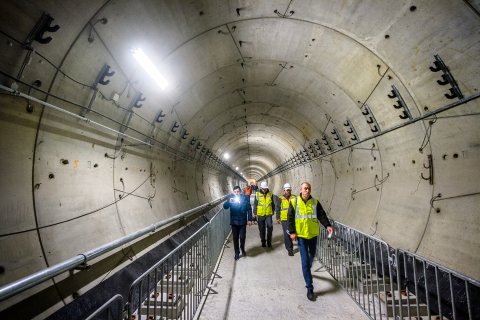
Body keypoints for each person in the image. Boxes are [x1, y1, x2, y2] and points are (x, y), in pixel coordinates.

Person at [287, 181, 334, 301]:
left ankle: (307, 269)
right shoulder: (294, 201)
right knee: (304, 261)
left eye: (309, 189)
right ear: (301, 189)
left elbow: (321, 215)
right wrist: (292, 232)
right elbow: (290, 218)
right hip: (301, 235)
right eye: (305, 188)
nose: (307, 190)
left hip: (313, 235)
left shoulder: (315, 202)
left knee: (312, 256)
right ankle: (309, 287)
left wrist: (327, 225)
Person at [223, 186, 253, 260]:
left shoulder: (245, 198)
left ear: (240, 192)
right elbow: (225, 207)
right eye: (235, 192)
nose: (236, 193)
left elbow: (249, 209)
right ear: (233, 192)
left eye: (238, 191)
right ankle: (237, 252)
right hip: (234, 221)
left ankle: (242, 248)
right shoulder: (231, 198)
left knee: (242, 237)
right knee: (235, 238)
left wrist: (250, 219)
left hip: (242, 221)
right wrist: (228, 201)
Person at [252, 181, 276, 247]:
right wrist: (254, 212)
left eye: (265, 188)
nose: (264, 190)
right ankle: (263, 241)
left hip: (268, 214)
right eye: (263, 188)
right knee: (262, 229)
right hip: (260, 214)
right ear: (261, 188)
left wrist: (273, 211)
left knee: (270, 227)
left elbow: (272, 204)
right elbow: (255, 204)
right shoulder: (257, 194)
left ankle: (269, 241)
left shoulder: (270, 194)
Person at [276, 183, 296, 256]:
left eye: (289, 190)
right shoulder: (280, 198)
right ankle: (289, 249)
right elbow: (278, 208)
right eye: (287, 190)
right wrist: (278, 217)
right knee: (287, 234)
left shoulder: (294, 197)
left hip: (293, 218)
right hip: (284, 219)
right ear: (284, 190)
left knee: (294, 232)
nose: (288, 191)